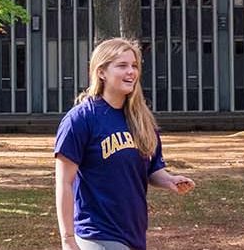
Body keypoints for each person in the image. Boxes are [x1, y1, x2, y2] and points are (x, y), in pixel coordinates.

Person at [54, 38, 195, 250]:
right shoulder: (81, 119)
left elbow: (151, 169)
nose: (131, 72)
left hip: (133, 233)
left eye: (134, 66)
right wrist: (68, 239)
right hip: (98, 234)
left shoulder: (140, 119)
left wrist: (169, 180)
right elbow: (64, 182)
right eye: (122, 66)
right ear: (101, 72)